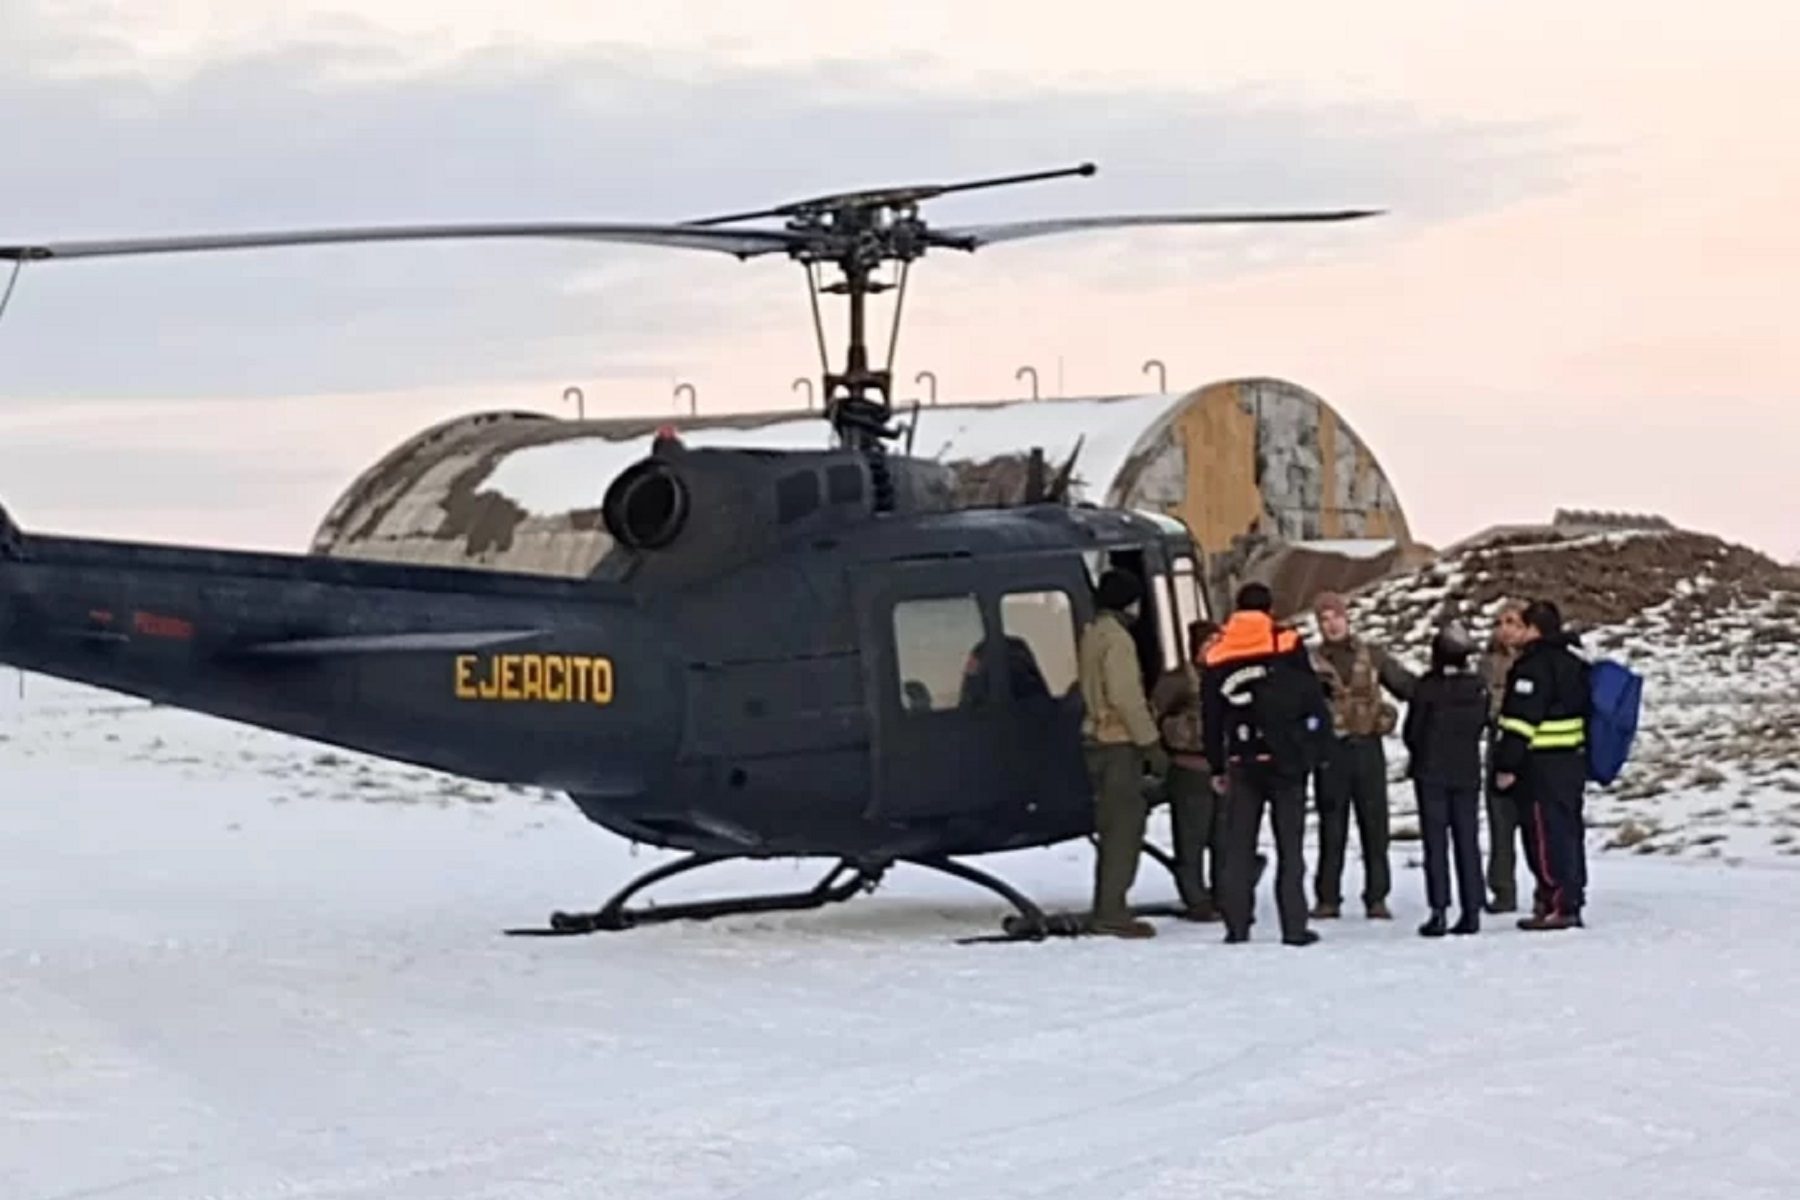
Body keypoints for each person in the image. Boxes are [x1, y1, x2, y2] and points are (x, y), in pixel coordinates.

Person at [1202, 582, 1329, 947]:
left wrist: (1216, 766)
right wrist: (1313, 747)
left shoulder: (1217, 653)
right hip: (1285, 758)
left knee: (1238, 846)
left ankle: (1237, 925)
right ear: (1269, 608)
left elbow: (1211, 717)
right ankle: (1293, 925)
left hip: (1242, 759)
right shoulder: (1285, 642)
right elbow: (1311, 698)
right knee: (1290, 846)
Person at [1307, 591, 1417, 921]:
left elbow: (1408, 687)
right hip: (1330, 753)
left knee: (1375, 828)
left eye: (1336, 616)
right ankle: (1328, 899)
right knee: (1332, 828)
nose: (1332, 624)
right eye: (1324, 619)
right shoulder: (1310, 662)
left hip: (1368, 748)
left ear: (1347, 617)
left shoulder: (1373, 655)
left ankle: (1377, 897)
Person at [1077, 569, 1170, 938]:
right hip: (1117, 744)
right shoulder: (1118, 640)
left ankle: (1109, 905)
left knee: (1112, 825)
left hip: (1095, 740)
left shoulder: (1092, 633)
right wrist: (1151, 745)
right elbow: (1126, 698)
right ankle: (1111, 911)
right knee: (1123, 830)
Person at [1494, 598, 1591, 931]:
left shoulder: (1533, 666)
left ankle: (1558, 902)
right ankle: (1571, 896)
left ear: (1533, 629)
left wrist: (1506, 765)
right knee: (1569, 831)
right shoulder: (1573, 660)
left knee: (1545, 837)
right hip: (1571, 763)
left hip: (1542, 766)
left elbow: (1521, 721)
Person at [1402, 622, 1489, 937]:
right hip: (1466, 769)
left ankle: (1438, 909)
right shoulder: (1477, 686)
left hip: (1431, 771)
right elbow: (1482, 723)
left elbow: (1412, 731)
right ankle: (1472, 908)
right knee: (1468, 840)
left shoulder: (1427, 687)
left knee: (1436, 843)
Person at [1151, 619, 1223, 920]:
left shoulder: (1230, 676)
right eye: (1207, 643)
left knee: (1224, 839)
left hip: (1224, 769)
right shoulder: (1177, 681)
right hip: (1188, 768)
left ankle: (1225, 894)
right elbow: (1153, 715)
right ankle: (1196, 899)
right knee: (1190, 841)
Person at [1478, 601, 1537, 915]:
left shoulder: (1536, 660)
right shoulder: (1487, 663)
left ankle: (1545, 886)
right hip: (1498, 743)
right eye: (1500, 622)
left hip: (1531, 748)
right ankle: (1502, 889)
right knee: (1500, 824)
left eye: (1512, 622)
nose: (1505, 629)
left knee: (1534, 824)